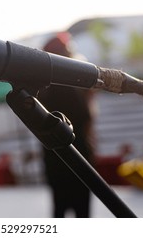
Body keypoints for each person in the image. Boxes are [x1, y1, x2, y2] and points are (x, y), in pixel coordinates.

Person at [38, 33, 96, 218]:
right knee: (81, 212)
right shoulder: (67, 87)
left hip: (54, 161)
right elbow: (86, 119)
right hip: (76, 159)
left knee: (59, 209)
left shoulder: (42, 89)